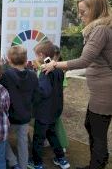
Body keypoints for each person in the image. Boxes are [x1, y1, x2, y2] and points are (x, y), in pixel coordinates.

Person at [42, 0, 112, 169]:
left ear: (96, 9)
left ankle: (97, 165)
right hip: (100, 90)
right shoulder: (102, 28)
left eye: (83, 12)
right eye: (79, 12)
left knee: (97, 132)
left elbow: (84, 60)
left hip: (105, 90)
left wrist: (55, 65)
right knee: (90, 124)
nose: (80, 16)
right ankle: (100, 161)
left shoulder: (100, 30)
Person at [28, 40, 70, 169]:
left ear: (41, 55)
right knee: (52, 134)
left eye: (36, 55)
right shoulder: (58, 69)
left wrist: (33, 89)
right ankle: (61, 159)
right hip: (55, 109)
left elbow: (43, 92)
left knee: (38, 138)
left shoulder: (45, 71)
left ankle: (37, 162)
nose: (36, 58)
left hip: (44, 112)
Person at [0, 46, 39, 169]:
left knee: (1, 140)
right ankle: (22, 166)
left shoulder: (6, 75)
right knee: (23, 142)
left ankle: (12, 162)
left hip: (9, 116)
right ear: (26, 59)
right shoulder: (33, 75)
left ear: (9, 60)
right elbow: (37, 96)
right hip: (25, 115)